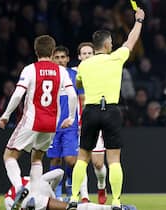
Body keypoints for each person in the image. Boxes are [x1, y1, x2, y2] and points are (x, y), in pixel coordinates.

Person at [69, 7, 145, 210]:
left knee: (83, 157)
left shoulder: (84, 65)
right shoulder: (115, 58)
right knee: (114, 160)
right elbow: (131, 41)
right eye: (111, 41)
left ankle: (74, 198)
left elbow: (78, 84)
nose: (113, 43)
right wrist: (138, 21)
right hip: (111, 111)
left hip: (91, 110)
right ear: (106, 44)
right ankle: (117, 202)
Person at [0, 35, 77, 210]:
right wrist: (70, 117)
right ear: (52, 51)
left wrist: (6, 115)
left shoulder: (30, 69)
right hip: (51, 124)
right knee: (37, 158)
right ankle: (33, 197)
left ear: (36, 51)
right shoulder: (61, 71)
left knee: (9, 156)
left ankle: (20, 189)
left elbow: (18, 94)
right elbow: (72, 95)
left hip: (32, 120)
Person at [47, 45, 88, 202]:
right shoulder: (49, 77)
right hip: (52, 126)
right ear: (52, 59)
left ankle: (72, 188)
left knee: (71, 159)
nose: (60, 60)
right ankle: (56, 194)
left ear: (68, 59)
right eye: (56, 57)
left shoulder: (75, 75)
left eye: (62, 57)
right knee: (55, 159)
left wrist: (82, 122)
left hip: (70, 125)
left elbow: (82, 100)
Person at [4, 169, 137, 210]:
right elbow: (59, 172)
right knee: (75, 207)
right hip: (37, 194)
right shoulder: (36, 180)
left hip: (13, 200)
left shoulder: (10, 193)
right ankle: (118, 209)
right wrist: (54, 192)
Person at [77, 42, 108, 204]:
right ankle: (84, 196)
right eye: (84, 53)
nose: (87, 56)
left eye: (90, 53)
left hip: (95, 121)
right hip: (77, 124)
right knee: (81, 161)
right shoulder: (74, 74)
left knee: (97, 163)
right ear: (79, 57)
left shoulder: (100, 73)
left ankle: (101, 186)